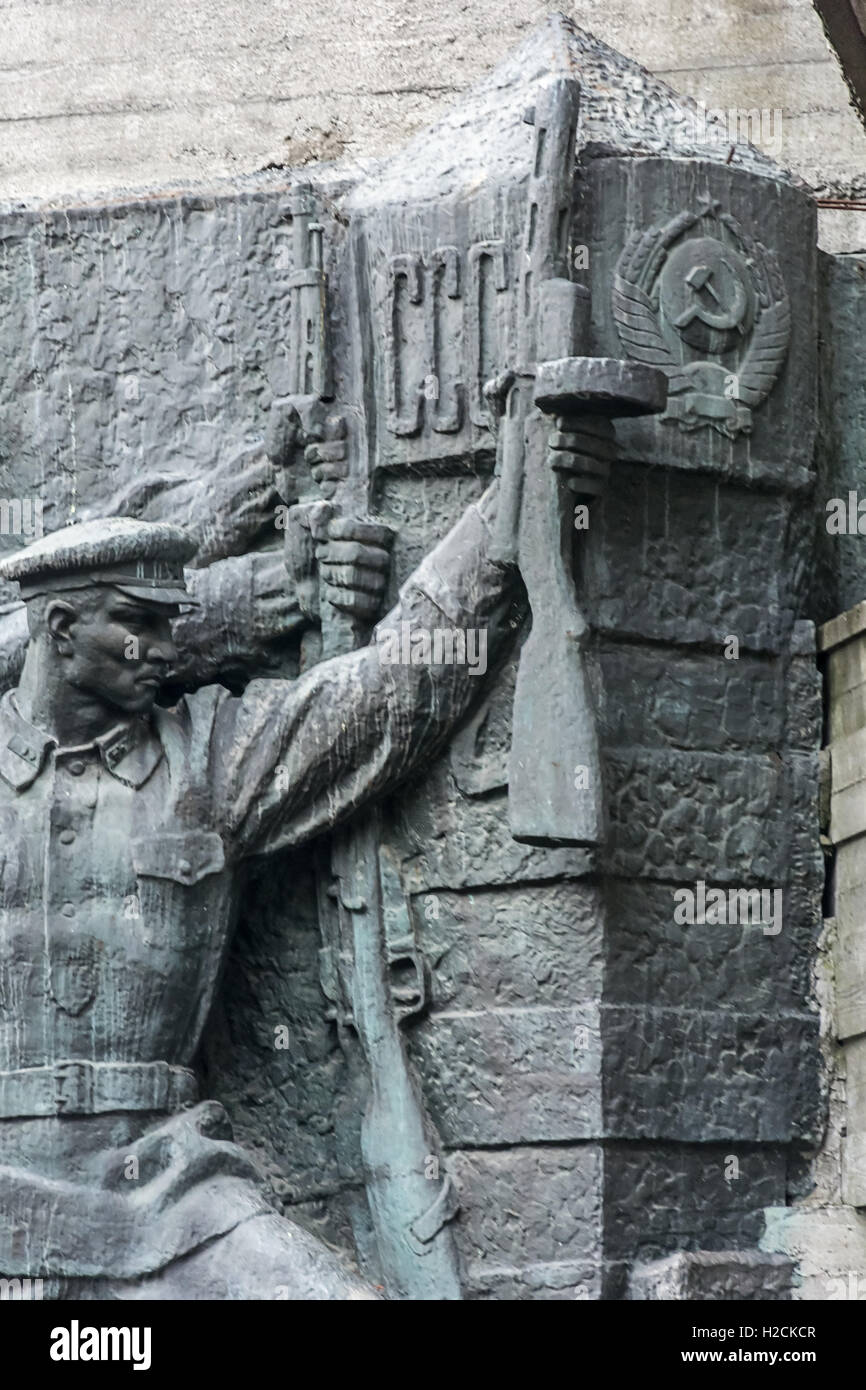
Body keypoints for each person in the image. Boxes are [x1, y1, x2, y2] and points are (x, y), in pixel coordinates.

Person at [0, 483, 514, 1299]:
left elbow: (389, 694)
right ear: (60, 632)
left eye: (176, 621)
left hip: (172, 1201)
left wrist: (508, 512)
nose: (171, 647)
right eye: (144, 624)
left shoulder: (207, 756)